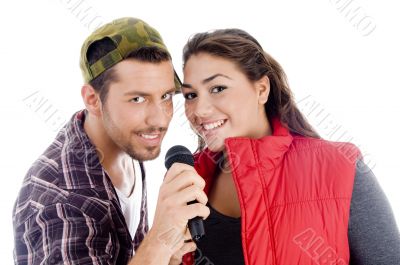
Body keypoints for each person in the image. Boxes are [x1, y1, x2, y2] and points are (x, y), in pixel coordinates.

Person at [180, 29, 400, 265]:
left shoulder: (339, 168)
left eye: (218, 88)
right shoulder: (189, 181)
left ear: (261, 89)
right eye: (191, 95)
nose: (199, 110)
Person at [13, 17, 210, 265]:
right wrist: (159, 239)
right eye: (138, 99)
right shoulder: (58, 203)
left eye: (166, 96)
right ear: (93, 100)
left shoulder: (127, 141)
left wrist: (168, 256)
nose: (160, 119)